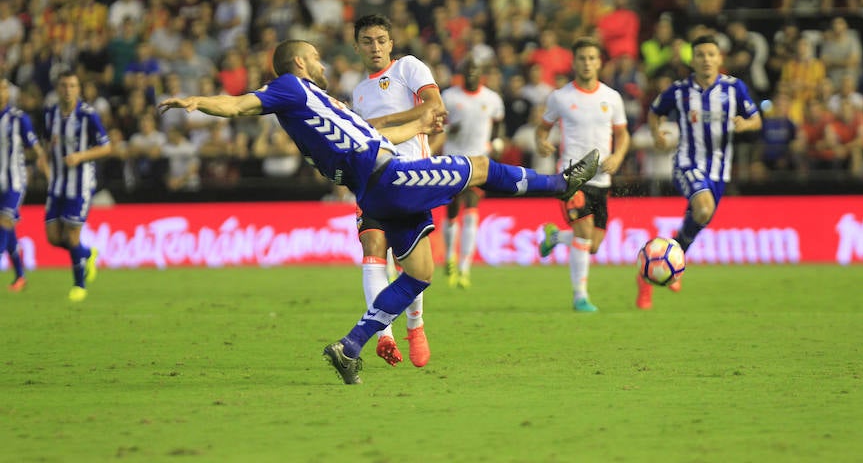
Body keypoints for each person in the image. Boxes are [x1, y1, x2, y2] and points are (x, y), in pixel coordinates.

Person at [158, 39, 600, 384]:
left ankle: (351, 347)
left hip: (379, 183)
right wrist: (200, 103)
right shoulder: (290, 89)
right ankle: (562, 184)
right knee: (479, 167)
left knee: (421, 272)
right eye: (315, 59)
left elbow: (371, 137)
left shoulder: (321, 103)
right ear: (298, 65)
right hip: (388, 179)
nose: (322, 66)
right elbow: (238, 105)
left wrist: (419, 125)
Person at [350, 13, 445, 368]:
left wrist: (379, 124)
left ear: (391, 43)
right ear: (357, 46)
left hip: (411, 180)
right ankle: (383, 334)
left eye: (380, 40)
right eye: (367, 41)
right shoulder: (359, 92)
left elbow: (434, 106)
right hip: (372, 183)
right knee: (372, 249)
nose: (374, 47)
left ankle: (415, 325)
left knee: (412, 265)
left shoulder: (408, 68)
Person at [638, 35, 761, 309]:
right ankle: (667, 259)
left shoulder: (734, 88)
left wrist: (745, 124)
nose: (706, 59)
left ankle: (664, 262)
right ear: (692, 60)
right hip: (687, 162)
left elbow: (756, 119)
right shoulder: (679, 90)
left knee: (701, 217)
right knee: (703, 208)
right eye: (701, 54)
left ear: (720, 59)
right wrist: (657, 134)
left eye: (711, 54)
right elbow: (654, 111)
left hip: (719, 170)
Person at [535, 37, 630, 312]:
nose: (587, 63)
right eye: (582, 58)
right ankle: (580, 297)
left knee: (593, 245)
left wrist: (618, 157)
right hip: (571, 177)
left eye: (592, 58)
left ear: (599, 62)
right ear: (574, 63)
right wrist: (541, 141)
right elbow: (542, 128)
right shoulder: (560, 97)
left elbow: (623, 135)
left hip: (602, 179)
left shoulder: (612, 98)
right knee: (584, 233)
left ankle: (554, 238)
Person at [44, 71, 112, 302]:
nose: (68, 90)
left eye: (72, 86)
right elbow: (48, 144)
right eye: (64, 85)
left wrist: (81, 156)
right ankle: (87, 253)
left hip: (80, 184)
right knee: (53, 237)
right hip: (57, 184)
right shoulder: (50, 113)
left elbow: (106, 147)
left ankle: (79, 285)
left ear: (78, 89)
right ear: (57, 88)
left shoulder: (88, 115)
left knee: (72, 235)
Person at [440, 57, 505, 289]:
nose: (470, 75)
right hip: (453, 159)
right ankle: (449, 256)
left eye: (474, 71)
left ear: (481, 75)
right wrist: (449, 128)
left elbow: (497, 123)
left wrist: (496, 142)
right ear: (460, 74)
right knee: (453, 209)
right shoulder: (449, 96)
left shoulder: (492, 99)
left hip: (479, 159)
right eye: (466, 71)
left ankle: (465, 267)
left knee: (472, 206)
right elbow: (437, 124)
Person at [1, 79, 49, 291]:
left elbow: (36, 148)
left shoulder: (18, 119)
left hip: (15, 180)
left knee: (4, 220)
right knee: (8, 227)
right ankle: (20, 275)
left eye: (3, 88)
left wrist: (48, 174)